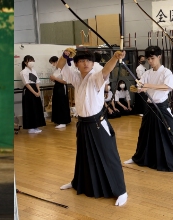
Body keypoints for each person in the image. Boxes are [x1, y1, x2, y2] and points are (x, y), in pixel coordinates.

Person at [54, 49, 129, 206]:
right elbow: (61, 66)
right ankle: (77, 182)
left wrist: (115, 58)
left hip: (97, 123)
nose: (86, 63)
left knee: (109, 156)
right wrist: (65, 54)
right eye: (81, 61)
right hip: (83, 123)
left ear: (93, 63)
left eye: (89, 60)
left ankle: (121, 191)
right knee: (83, 156)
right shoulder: (75, 77)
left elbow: (106, 70)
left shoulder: (95, 77)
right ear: (77, 64)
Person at [124, 46, 173, 176]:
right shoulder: (147, 73)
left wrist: (147, 86)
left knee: (172, 134)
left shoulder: (166, 72)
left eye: (152, 58)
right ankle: (137, 157)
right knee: (144, 133)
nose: (150, 61)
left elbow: (167, 87)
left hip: (161, 107)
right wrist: (137, 88)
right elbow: (140, 86)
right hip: (150, 107)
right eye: (148, 59)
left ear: (159, 57)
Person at [20, 55, 45, 134]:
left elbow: (37, 82)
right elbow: (27, 84)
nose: (31, 62)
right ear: (25, 62)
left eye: (32, 60)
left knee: (36, 108)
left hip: (35, 89)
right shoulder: (23, 72)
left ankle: (36, 126)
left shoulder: (34, 71)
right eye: (29, 60)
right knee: (30, 108)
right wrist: (34, 93)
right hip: (28, 91)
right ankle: (30, 128)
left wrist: (38, 91)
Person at [48, 56, 71, 128]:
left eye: (53, 63)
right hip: (57, 87)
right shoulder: (56, 70)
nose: (53, 64)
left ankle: (63, 121)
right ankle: (57, 120)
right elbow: (55, 78)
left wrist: (55, 78)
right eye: (52, 63)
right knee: (57, 103)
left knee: (62, 103)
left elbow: (65, 81)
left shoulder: (64, 69)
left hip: (62, 87)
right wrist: (53, 79)